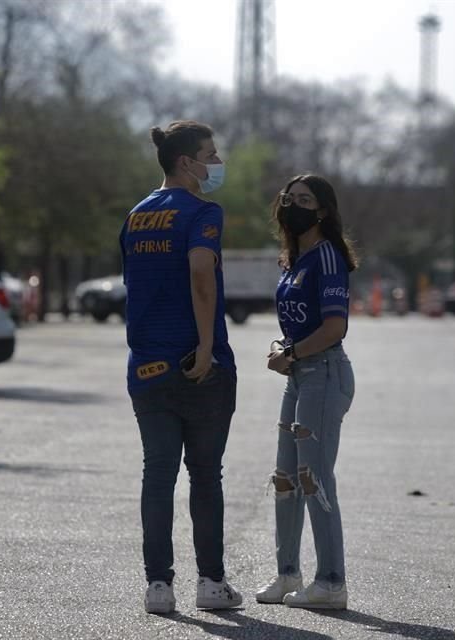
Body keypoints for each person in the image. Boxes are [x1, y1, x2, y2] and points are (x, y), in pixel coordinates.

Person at [120, 120, 242, 615]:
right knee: (206, 476)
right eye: (210, 155)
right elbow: (200, 274)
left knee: (158, 474)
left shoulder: (135, 216)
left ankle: (158, 587)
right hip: (198, 366)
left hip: (146, 366)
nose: (216, 164)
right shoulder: (202, 212)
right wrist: (208, 345)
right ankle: (211, 584)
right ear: (186, 163)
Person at [255, 174, 357, 609]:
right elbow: (300, 323)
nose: (293, 205)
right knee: (285, 480)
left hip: (324, 374)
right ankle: (287, 575)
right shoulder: (293, 259)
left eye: (304, 200)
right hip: (299, 376)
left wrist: (293, 352)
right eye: (288, 198)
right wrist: (285, 349)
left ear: (322, 211)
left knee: (314, 479)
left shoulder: (328, 258)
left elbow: (335, 327)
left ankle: (332, 582)